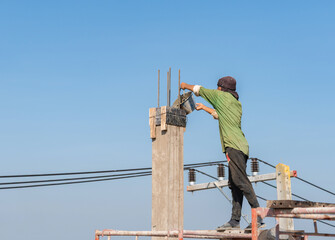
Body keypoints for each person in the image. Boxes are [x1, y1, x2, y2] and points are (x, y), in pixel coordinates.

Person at [180, 76, 264, 231]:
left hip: (233, 146)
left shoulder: (220, 96)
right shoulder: (235, 103)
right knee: (235, 184)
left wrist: (185, 85)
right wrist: (204, 108)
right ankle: (234, 220)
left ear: (221, 88)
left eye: (218, 87)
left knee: (241, 181)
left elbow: (200, 90)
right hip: (241, 146)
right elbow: (220, 115)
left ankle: (258, 215)